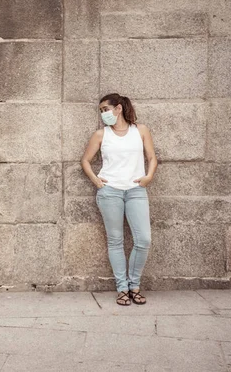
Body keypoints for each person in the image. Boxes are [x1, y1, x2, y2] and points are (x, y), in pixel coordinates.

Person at [81, 93, 157, 306]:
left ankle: (135, 285)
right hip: (110, 192)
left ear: (119, 108)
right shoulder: (100, 135)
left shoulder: (140, 131)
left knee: (143, 240)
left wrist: (148, 177)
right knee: (115, 241)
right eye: (101, 111)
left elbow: (151, 157)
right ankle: (123, 288)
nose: (103, 113)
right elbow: (85, 161)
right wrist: (97, 181)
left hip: (136, 191)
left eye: (106, 109)